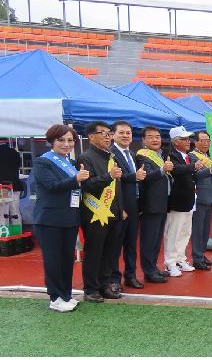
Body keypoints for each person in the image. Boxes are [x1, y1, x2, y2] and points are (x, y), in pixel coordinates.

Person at [33, 124, 88, 312]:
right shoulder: (43, 162)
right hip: (49, 219)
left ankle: (66, 294)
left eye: (70, 140)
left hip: (69, 218)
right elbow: (52, 186)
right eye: (61, 140)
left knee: (66, 259)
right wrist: (76, 179)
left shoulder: (71, 163)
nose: (66, 144)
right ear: (52, 141)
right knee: (53, 260)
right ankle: (55, 297)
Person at [78, 121, 124, 302]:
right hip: (94, 213)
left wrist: (121, 209)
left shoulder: (111, 157)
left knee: (110, 253)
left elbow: (117, 187)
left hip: (113, 212)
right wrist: (109, 176)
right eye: (103, 133)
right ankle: (90, 289)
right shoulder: (85, 158)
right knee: (94, 252)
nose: (108, 136)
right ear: (91, 137)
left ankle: (105, 285)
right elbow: (88, 185)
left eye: (109, 133)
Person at [109, 121, 146, 290]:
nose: (125, 136)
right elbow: (116, 177)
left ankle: (130, 275)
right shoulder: (111, 153)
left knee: (131, 244)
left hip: (134, 204)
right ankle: (114, 279)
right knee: (116, 245)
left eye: (128, 133)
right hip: (119, 206)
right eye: (121, 132)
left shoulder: (131, 153)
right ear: (113, 135)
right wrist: (134, 176)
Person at [135, 126, 173, 284]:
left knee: (157, 240)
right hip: (151, 204)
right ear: (143, 140)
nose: (155, 140)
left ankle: (154, 267)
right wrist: (163, 169)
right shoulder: (142, 156)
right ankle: (149, 271)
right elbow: (147, 177)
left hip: (162, 203)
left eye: (157, 136)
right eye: (150, 137)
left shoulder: (160, 154)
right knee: (149, 240)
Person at [163, 126, 201, 277]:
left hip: (189, 199)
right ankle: (170, 262)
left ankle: (180, 259)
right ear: (176, 141)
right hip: (176, 201)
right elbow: (175, 170)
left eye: (188, 139)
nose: (188, 142)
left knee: (185, 232)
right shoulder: (170, 155)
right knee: (173, 232)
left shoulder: (187, 155)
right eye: (185, 139)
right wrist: (193, 166)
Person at [189, 131, 212, 270]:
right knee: (198, 229)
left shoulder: (207, 156)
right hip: (200, 197)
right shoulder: (192, 156)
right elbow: (195, 175)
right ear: (196, 142)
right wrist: (211, 170)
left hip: (209, 197)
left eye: (208, 140)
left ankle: (201, 254)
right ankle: (196, 258)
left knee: (206, 229)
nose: (206, 143)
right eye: (203, 140)